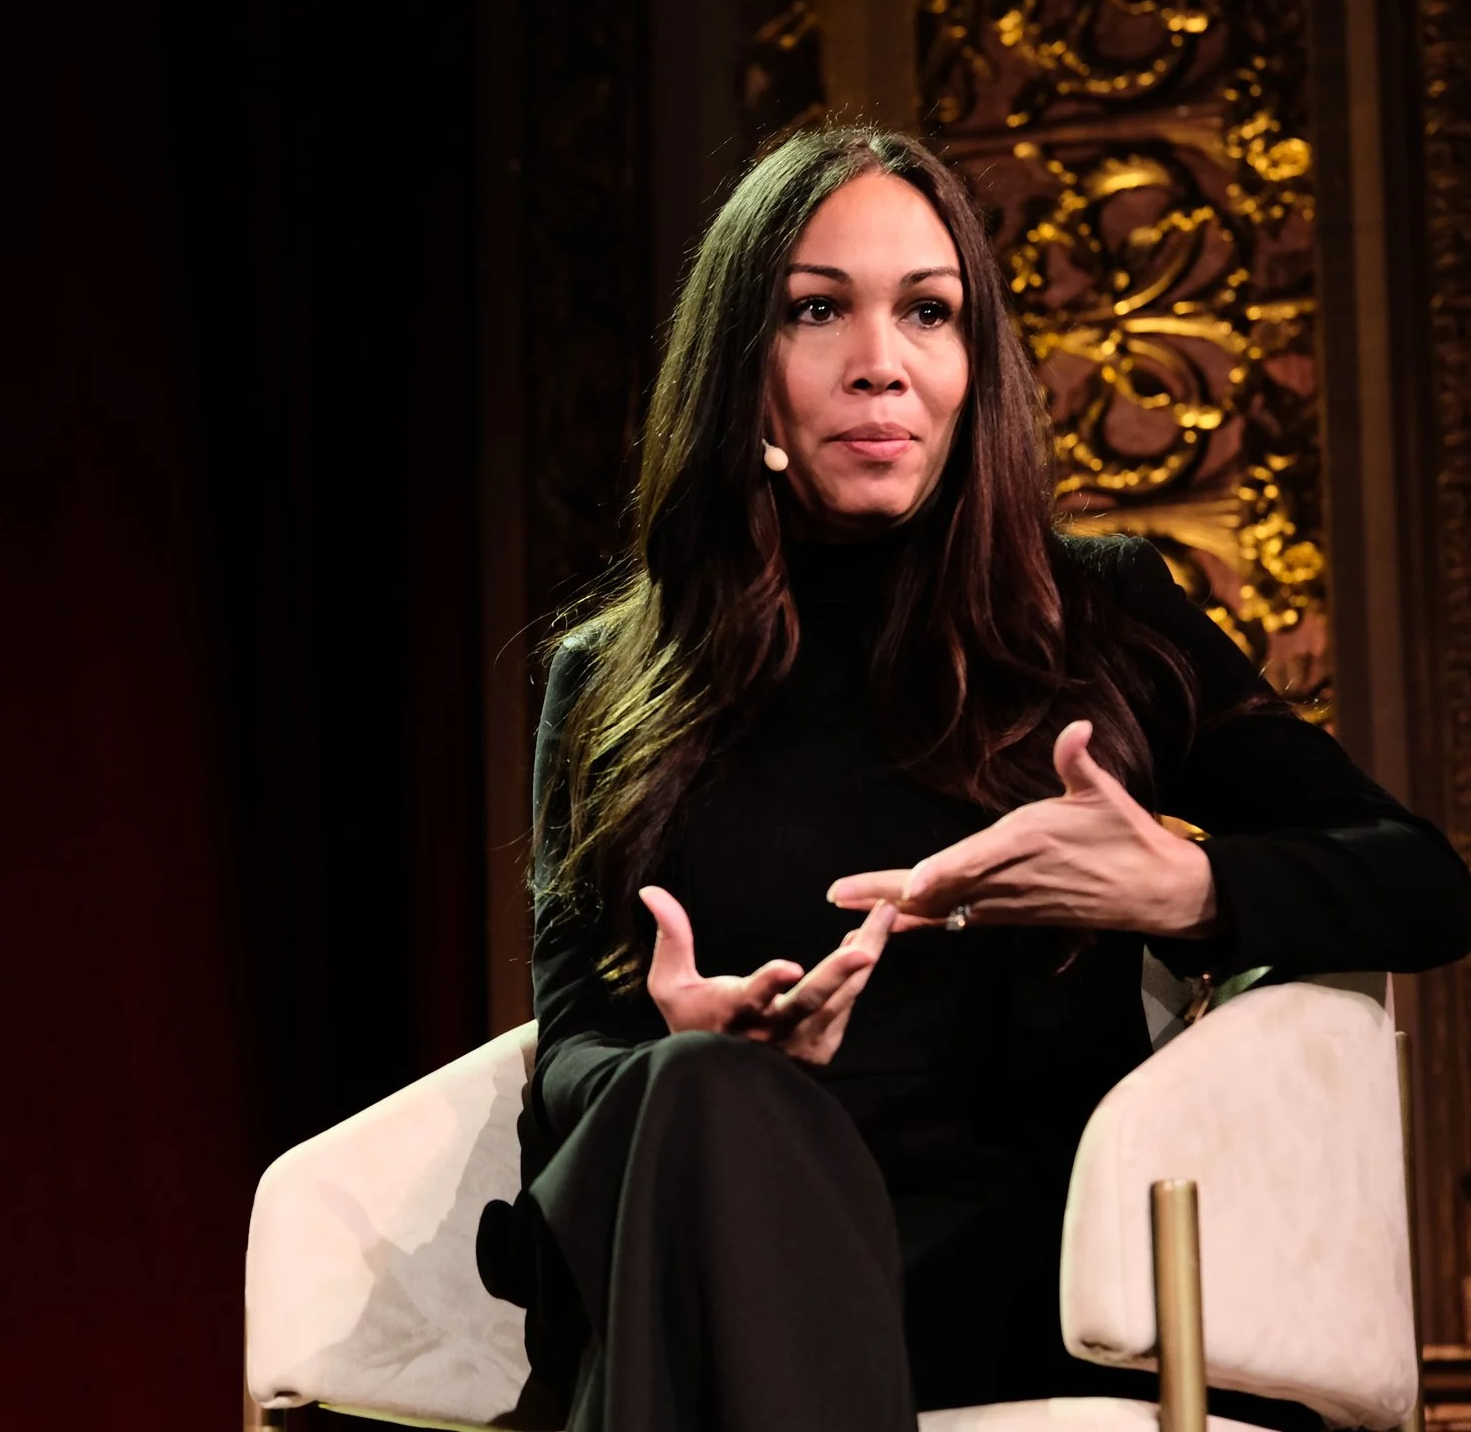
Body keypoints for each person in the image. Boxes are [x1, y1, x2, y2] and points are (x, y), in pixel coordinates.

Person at [476, 126, 1471, 1432]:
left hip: (1009, 1265)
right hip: (689, 1213)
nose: (879, 362)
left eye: (928, 312)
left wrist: (1190, 883)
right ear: (742, 371)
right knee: (703, 1100)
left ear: (972, 363)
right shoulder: (615, 672)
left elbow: (1425, 881)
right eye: (817, 310)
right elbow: (571, 1045)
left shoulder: (1100, 614)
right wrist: (688, 1048)